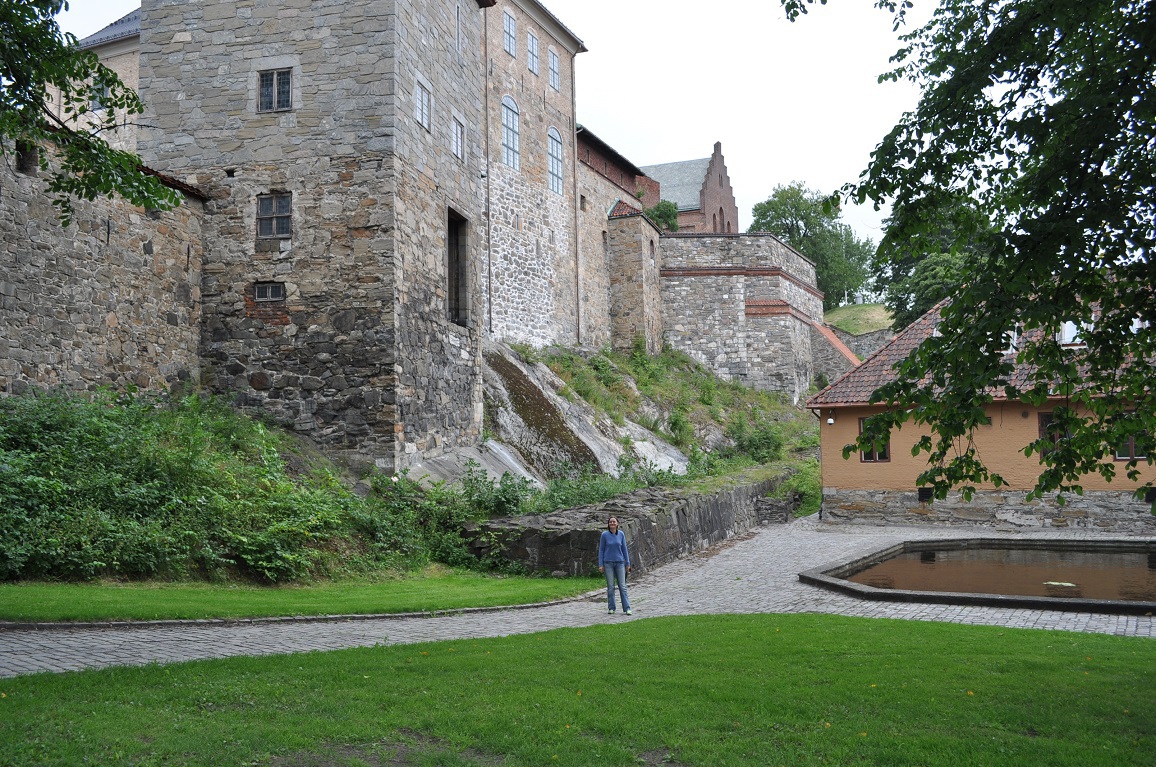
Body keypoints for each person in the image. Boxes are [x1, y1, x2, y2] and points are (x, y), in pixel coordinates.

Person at [598, 516, 632, 615]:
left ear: (617, 524)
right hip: (608, 563)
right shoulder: (604, 535)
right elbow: (601, 550)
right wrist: (600, 564)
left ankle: (627, 608)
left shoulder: (621, 534)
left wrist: (628, 564)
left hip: (620, 563)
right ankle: (611, 607)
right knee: (611, 586)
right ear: (608, 524)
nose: (612, 523)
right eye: (610, 522)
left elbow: (624, 549)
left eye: (614, 522)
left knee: (622, 586)